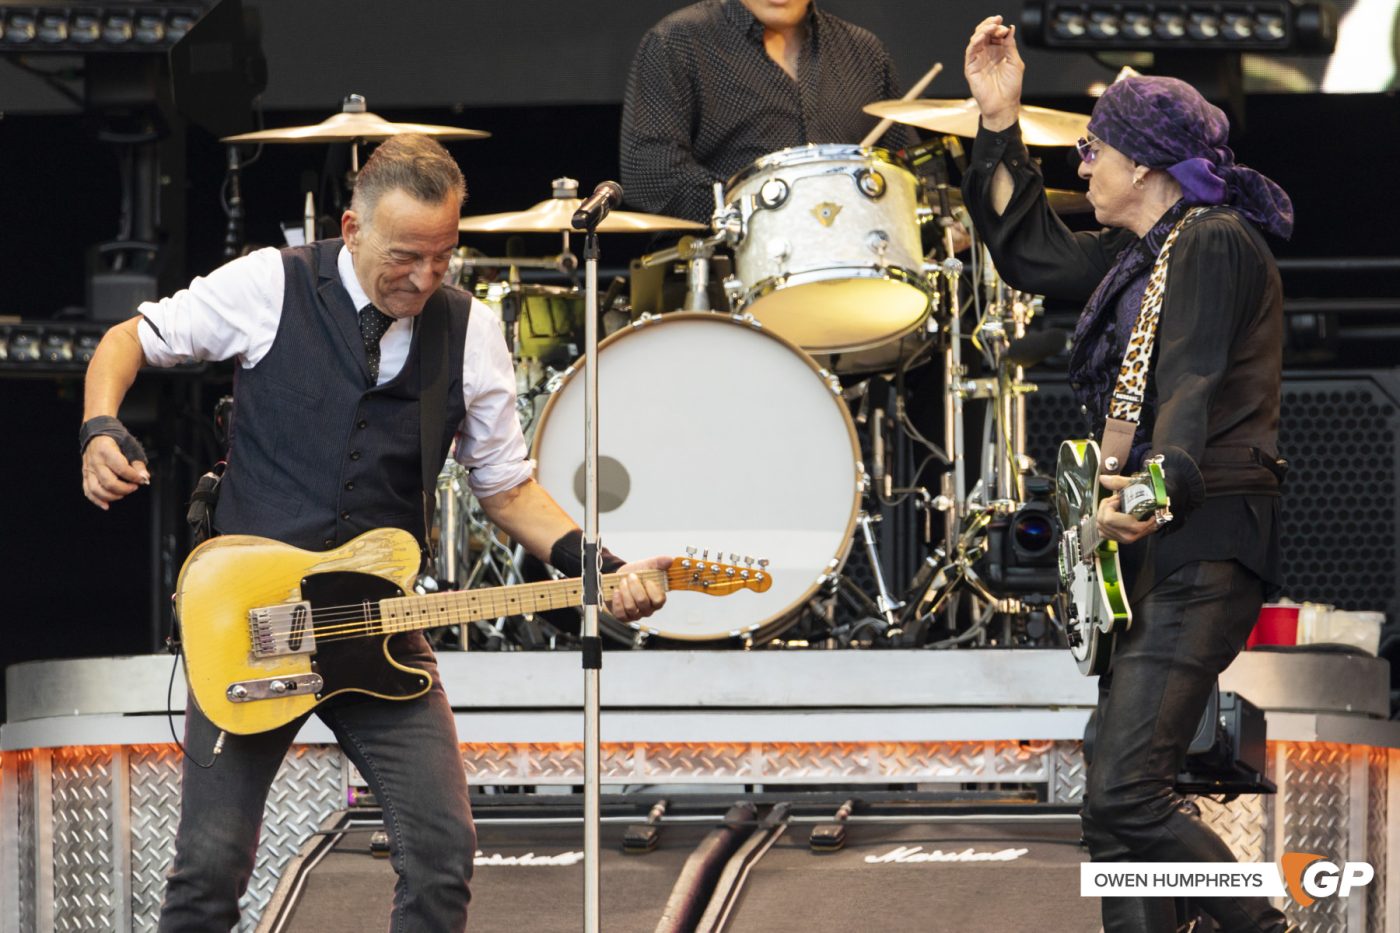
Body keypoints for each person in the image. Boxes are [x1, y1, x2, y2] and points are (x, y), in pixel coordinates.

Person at [79, 133, 670, 932]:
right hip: (253, 624)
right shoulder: (270, 284)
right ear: (351, 229)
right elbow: (128, 340)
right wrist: (100, 428)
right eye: (404, 256)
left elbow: (507, 488)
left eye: (443, 256)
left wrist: (602, 568)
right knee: (209, 872)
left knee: (441, 851)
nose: (425, 278)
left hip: (377, 624)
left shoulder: (471, 331)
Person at [960, 16, 1293, 933]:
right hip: (1151, 549)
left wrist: (1152, 490)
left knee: (1126, 793)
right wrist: (999, 118)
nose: (1083, 166)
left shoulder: (1215, 241)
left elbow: (1190, 378)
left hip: (1200, 538)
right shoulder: (1137, 260)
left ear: (1144, 165)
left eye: (1093, 148)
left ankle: (1267, 926)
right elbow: (1026, 249)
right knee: (1111, 810)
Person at [619, 0, 917, 223]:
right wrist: (768, 206)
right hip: (725, 277)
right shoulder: (677, 42)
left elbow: (910, 168)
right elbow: (651, 176)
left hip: (855, 266)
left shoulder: (865, 52)